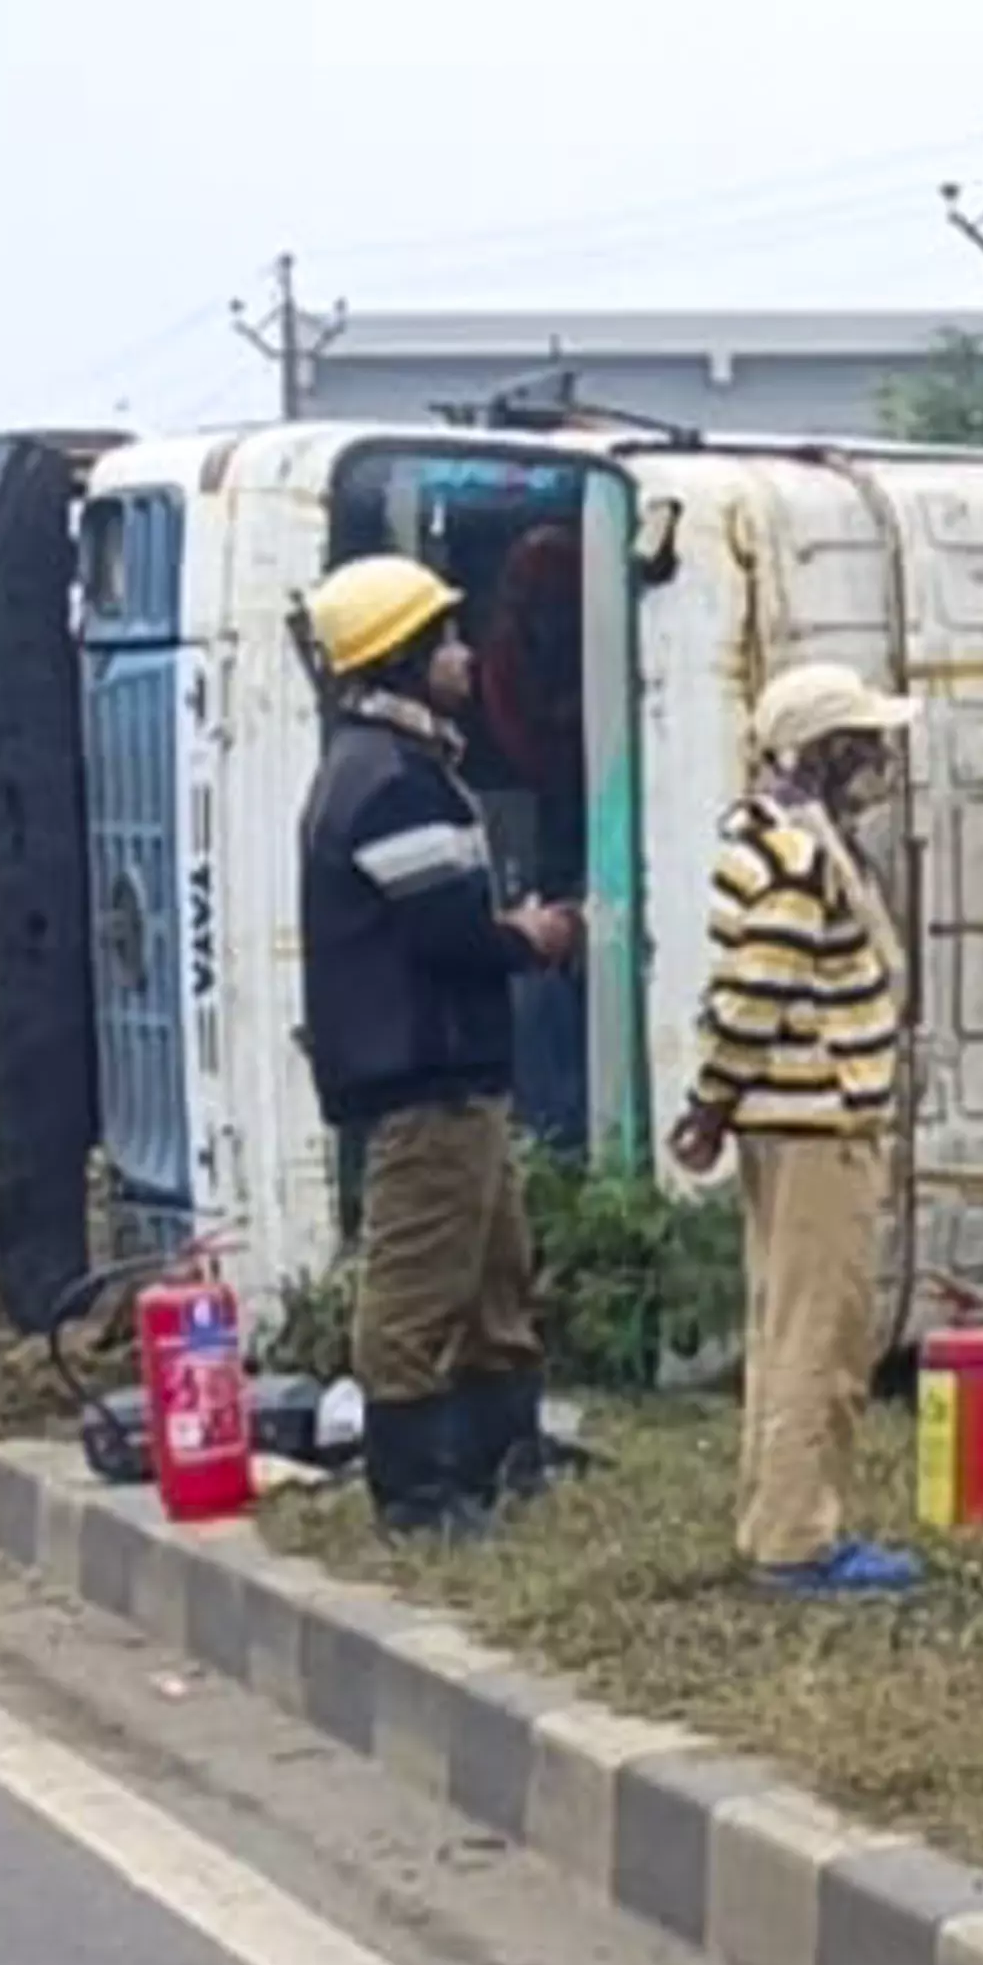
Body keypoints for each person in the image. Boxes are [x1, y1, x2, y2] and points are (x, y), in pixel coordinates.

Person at [293, 554, 580, 1540]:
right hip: (426, 1078)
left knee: (498, 1274)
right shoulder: (389, 782)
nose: (465, 655)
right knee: (415, 1289)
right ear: (404, 660)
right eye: (448, 640)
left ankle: (508, 1460)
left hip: (454, 1072)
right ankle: (416, 1498)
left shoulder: (400, 767)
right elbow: (448, 934)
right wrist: (533, 938)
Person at [664, 661, 926, 1599]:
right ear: (825, 752)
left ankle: (771, 1518)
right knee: (821, 1335)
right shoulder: (798, 857)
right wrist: (708, 1104)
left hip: (790, 1122)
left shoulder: (775, 838)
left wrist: (715, 1104)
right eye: (866, 744)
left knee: (786, 1326)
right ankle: (799, 1541)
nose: (882, 761)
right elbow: (756, 995)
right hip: (818, 1120)